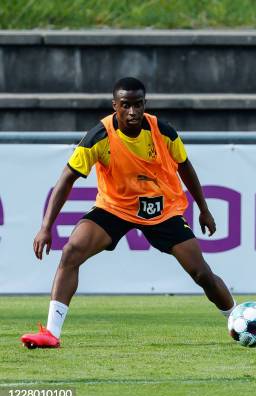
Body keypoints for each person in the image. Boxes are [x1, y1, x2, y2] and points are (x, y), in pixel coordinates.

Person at [21, 77, 236, 349]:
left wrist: (204, 210)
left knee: (201, 273)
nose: (133, 112)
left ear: (145, 104)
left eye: (138, 105)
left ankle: (237, 319)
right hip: (115, 207)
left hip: (162, 210)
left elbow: (185, 167)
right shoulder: (99, 136)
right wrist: (46, 226)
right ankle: (51, 333)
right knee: (72, 251)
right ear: (115, 106)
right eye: (126, 105)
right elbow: (66, 179)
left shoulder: (163, 132)